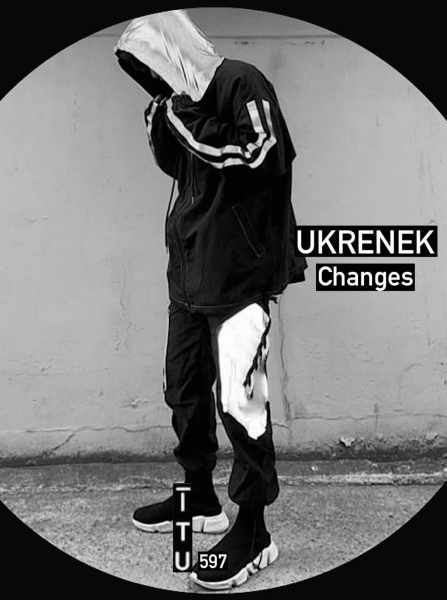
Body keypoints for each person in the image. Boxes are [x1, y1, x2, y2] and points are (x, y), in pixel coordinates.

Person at [114, 10, 307, 590]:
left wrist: (182, 114)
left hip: (239, 276)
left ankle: (254, 531)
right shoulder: (183, 104)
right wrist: (162, 118)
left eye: (153, 65)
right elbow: (182, 163)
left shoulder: (241, 81)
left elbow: (259, 153)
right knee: (184, 390)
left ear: (173, 48)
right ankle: (199, 499)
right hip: (190, 275)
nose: (153, 79)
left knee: (242, 403)